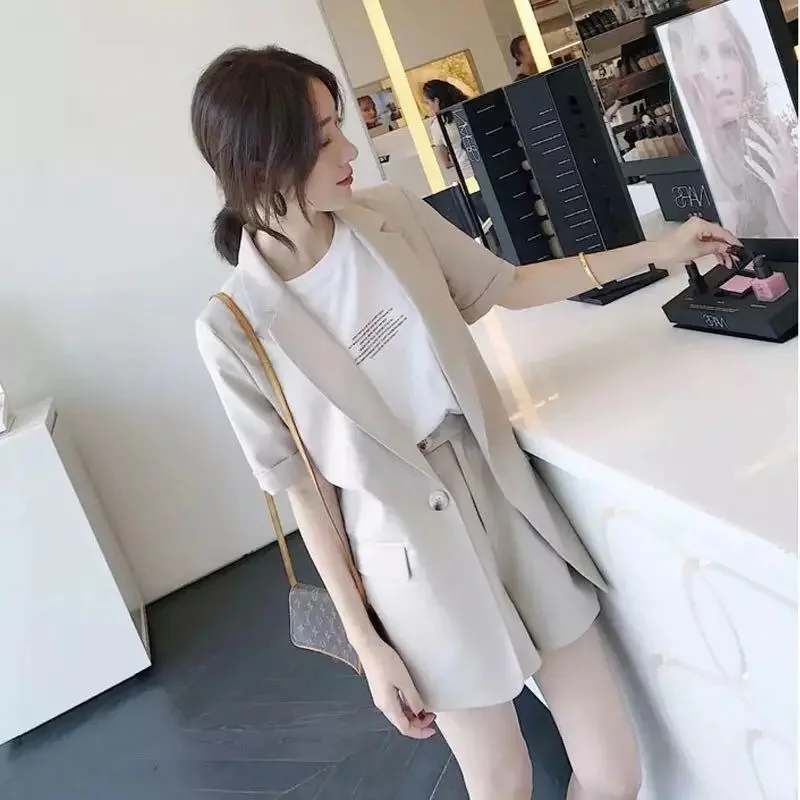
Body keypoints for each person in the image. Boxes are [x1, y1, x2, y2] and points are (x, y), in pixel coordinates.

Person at [191, 46, 740, 800]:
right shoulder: (233, 328)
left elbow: (507, 285)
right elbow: (307, 496)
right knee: (502, 782)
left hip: (504, 498)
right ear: (260, 161)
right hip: (409, 558)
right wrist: (368, 646)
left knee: (614, 770)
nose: (348, 150)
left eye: (338, 127)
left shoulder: (388, 216)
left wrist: (659, 249)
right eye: (321, 139)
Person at [666, 2, 798, 237]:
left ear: (745, 60)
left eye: (728, 52)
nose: (720, 72)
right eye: (702, 55)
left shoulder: (787, 145)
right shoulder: (711, 176)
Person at [423, 79, 473, 177]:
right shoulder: (470, 109)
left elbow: (447, 163)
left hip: (468, 172)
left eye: (428, 103)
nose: (429, 107)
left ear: (436, 101)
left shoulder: (438, 125)